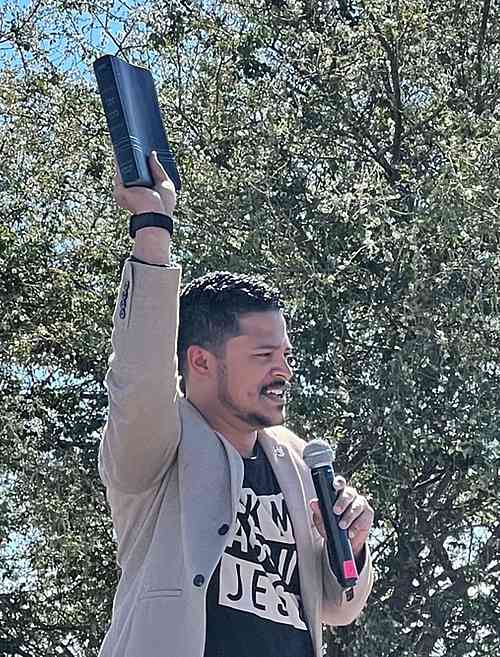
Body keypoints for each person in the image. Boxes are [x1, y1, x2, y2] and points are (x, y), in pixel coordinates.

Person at [98, 153, 375, 657]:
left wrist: (351, 546)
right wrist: (153, 229)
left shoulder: (296, 460)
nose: (283, 371)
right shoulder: (159, 447)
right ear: (201, 361)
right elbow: (139, 375)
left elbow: (336, 608)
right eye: (263, 356)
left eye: (285, 355)